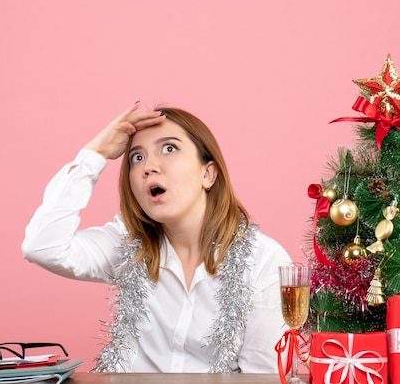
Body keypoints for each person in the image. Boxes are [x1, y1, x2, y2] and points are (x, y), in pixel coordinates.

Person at [21, 102, 292, 373]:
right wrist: (96, 153)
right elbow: (41, 247)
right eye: (136, 157)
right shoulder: (127, 245)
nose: (148, 166)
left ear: (208, 173)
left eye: (170, 148)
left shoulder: (264, 260)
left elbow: (264, 375)